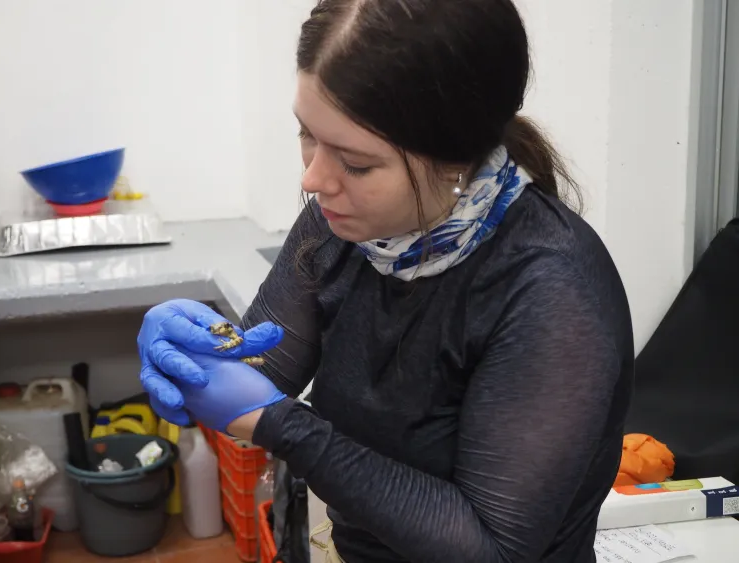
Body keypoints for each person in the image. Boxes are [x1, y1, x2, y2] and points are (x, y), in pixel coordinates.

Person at [137, 1, 634, 561]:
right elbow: (255, 372)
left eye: (356, 163)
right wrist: (194, 353)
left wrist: (287, 427)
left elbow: (491, 549)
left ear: (455, 161)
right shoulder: (345, 223)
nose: (314, 178)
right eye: (307, 135)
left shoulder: (550, 292)